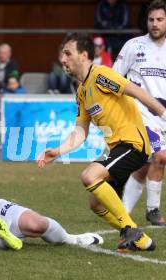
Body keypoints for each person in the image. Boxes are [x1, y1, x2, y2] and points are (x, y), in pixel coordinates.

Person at [37, 33, 166, 252]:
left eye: (68, 53)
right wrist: (58, 151)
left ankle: (130, 229)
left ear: (84, 55)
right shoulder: (81, 92)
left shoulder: (101, 75)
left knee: (89, 176)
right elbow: (81, 131)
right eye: (62, 54)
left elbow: (136, 91)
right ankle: (142, 241)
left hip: (134, 144)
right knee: (96, 204)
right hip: (119, 148)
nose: (63, 59)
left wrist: (163, 114)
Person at [113, 0, 166, 226]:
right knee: (161, 156)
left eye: (160, 20)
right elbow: (115, 77)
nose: (155, 24)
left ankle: (124, 211)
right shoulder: (133, 46)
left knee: (147, 165)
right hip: (141, 114)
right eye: (151, 20)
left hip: (163, 116)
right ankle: (152, 210)